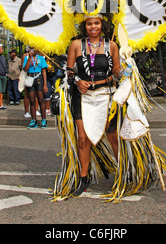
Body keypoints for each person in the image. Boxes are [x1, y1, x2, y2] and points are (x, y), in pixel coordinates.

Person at [66, 14, 122, 196]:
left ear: (102, 24)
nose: (93, 27)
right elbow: (68, 71)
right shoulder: (75, 45)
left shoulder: (111, 45)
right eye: (89, 23)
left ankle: (123, 172)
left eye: (96, 23)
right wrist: (77, 80)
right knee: (83, 138)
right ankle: (83, 178)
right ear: (85, 26)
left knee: (112, 134)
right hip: (82, 96)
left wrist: (126, 70)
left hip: (105, 95)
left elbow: (116, 71)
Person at [23, 48, 48, 129]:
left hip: (39, 78)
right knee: (32, 100)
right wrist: (29, 58)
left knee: (41, 100)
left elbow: (44, 71)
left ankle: (44, 120)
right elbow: (25, 69)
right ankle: (34, 120)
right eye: (30, 49)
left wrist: (45, 84)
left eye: (33, 49)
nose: (32, 50)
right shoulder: (27, 58)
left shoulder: (40, 58)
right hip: (30, 78)